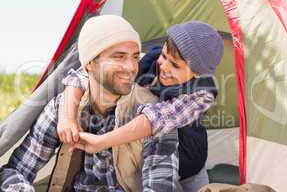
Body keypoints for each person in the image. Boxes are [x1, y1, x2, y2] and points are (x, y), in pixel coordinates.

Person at [0, 15, 180, 192]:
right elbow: (15, 171)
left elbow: (160, 186)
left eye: (134, 57)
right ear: (89, 64)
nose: (132, 67)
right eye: (119, 57)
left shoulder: (155, 115)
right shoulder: (61, 109)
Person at [58, 20, 224, 191]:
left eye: (175, 65)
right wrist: (67, 116)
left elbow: (156, 119)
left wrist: (103, 141)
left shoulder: (202, 94)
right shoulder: (148, 61)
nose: (164, 67)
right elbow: (85, 73)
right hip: (144, 159)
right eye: (164, 55)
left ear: (196, 73)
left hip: (188, 167)